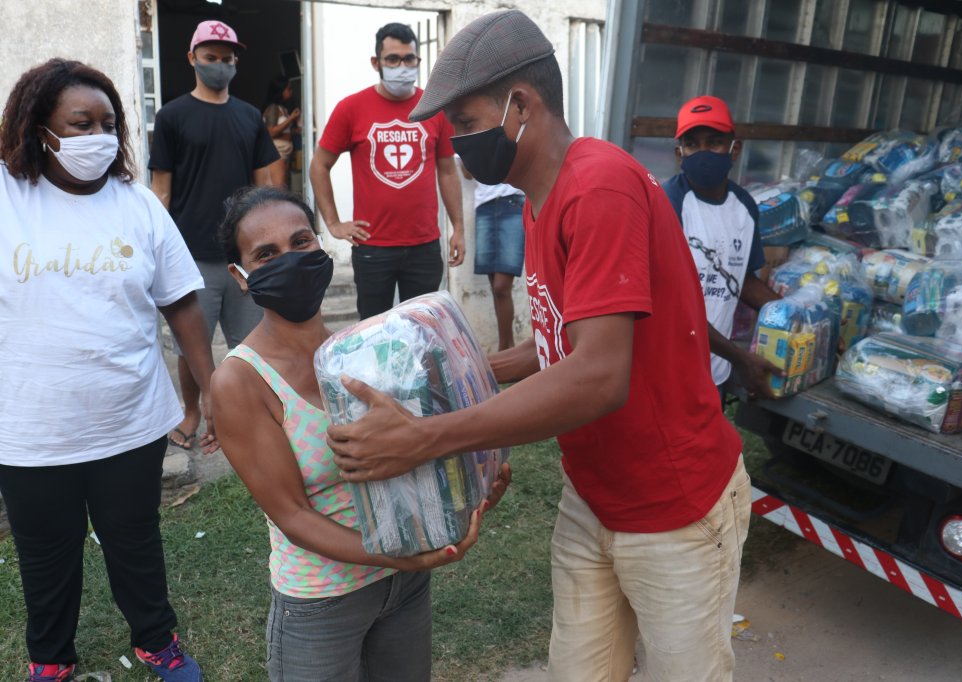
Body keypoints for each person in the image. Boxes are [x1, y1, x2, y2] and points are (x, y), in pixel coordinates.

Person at [325, 10, 750, 682]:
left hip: (674, 506)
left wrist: (430, 433)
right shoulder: (539, 195)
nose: (458, 142)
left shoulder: (597, 187)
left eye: (465, 123)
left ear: (520, 105)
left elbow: (597, 376)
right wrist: (451, 375)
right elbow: (560, 339)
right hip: (595, 494)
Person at [208, 186, 510, 681]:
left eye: (300, 242)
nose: (290, 259)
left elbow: (411, 463)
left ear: (322, 249)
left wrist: (470, 490)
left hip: (403, 586)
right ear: (241, 278)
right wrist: (404, 553)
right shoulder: (241, 381)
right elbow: (293, 516)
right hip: (322, 602)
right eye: (266, 255)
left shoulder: (359, 352)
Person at [0, 58, 212, 682]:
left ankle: (155, 641)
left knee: (135, 541)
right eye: (80, 122)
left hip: (128, 418)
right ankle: (50, 659)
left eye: (109, 123)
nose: (98, 135)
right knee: (46, 556)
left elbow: (182, 301)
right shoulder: (7, 195)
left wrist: (213, 386)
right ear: (40, 127)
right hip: (31, 427)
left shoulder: (138, 205)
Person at [149, 19, 280, 451]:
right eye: (211, 58)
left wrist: (269, 246)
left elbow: (263, 187)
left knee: (253, 344)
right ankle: (191, 413)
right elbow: (160, 191)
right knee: (193, 347)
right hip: (190, 257)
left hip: (243, 257)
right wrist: (155, 251)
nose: (220, 65)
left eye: (227, 59)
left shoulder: (248, 118)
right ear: (192, 59)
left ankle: (251, 414)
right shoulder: (171, 116)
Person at [309, 22, 465, 320]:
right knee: (373, 327)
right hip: (373, 247)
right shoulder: (351, 108)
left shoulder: (434, 108)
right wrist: (333, 223)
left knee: (423, 327)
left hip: (424, 245)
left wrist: (458, 228)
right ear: (376, 62)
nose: (402, 66)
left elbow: (447, 170)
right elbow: (319, 166)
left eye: (409, 59)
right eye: (393, 59)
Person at [662, 95, 782, 400]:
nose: (703, 152)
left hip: (714, 369)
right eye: (693, 144)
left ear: (734, 149)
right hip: (665, 369)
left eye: (714, 142)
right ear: (680, 153)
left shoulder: (744, 207)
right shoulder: (667, 203)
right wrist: (740, 358)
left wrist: (797, 316)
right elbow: (671, 302)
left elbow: (742, 280)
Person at [460, 162, 526, 351]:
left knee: (501, 286)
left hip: (513, 202)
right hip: (485, 206)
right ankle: (506, 346)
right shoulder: (473, 133)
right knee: (495, 287)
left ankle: (506, 349)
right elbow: (467, 173)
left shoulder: (510, 131)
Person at [262, 75, 301, 189]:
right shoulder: (273, 108)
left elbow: (284, 130)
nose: (291, 91)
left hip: (285, 153)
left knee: (285, 186)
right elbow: (271, 132)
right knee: (280, 188)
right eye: (288, 89)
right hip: (278, 152)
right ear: (280, 90)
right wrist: (291, 118)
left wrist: (295, 130)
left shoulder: (282, 108)